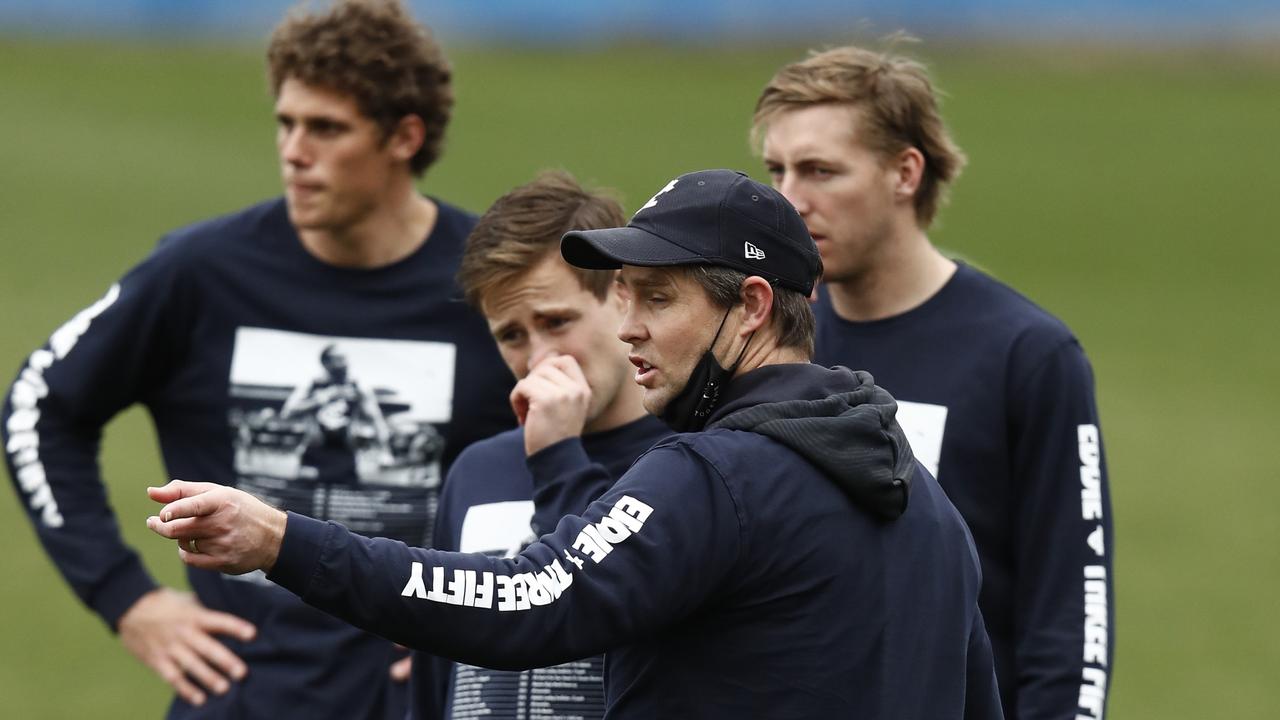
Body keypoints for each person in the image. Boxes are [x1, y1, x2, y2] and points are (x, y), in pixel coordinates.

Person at [145, 169, 1005, 719]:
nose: (628, 329)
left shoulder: (716, 475)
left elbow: (531, 600)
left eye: (658, 299)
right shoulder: (930, 507)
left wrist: (284, 541)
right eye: (620, 295)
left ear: (749, 306)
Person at [1, 1, 514, 717]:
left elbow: (584, 452)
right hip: (242, 696)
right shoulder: (201, 274)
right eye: (286, 123)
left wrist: (486, 608)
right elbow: (38, 406)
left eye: (326, 128)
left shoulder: (491, 285)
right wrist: (127, 598)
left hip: (425, 697)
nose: (294, 151)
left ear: (404, 137)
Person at [752, 45, 1115, 720]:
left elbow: (1073, 611)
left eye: (820, 171)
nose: (788, 200)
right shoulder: (761, 345)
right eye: (777, 169)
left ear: (905, 172)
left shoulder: (1027, 355)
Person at [414, 170, 669, 719]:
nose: (538, 359)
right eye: (512, 335)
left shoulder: (695, 455)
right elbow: (437, 674)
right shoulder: (478, 470)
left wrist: (557, 453)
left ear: (625, 297)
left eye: (557, 322)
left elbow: (618, 602)